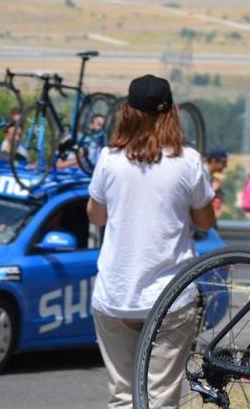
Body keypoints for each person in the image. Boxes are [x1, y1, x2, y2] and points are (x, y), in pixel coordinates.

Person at [86, 74, 215, 408]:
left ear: (127, 111)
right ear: (172, 112)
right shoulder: (187, 161)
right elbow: (205, 221)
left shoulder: (108, 160)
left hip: (115, 294)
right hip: (170, 296)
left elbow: (95, 216)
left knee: (122, 397)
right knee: (160, 399)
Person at [204, 147, 228, 221]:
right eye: (223, 163)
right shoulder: (202, 174)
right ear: (214, 161)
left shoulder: (210, 176)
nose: (225, 166)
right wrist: (213, 190)